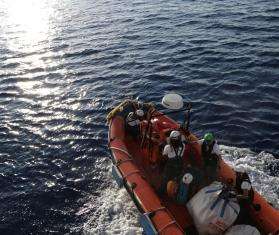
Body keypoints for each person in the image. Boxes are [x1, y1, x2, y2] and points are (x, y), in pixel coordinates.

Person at [158, 130, 186, 194]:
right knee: (177, 178)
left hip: (170, 167)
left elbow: (164, 157)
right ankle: (175, 191)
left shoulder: (167, 147)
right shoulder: (183, 146)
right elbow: (183, 139)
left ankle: (161, 192)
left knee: (165, 179)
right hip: (179, 165)